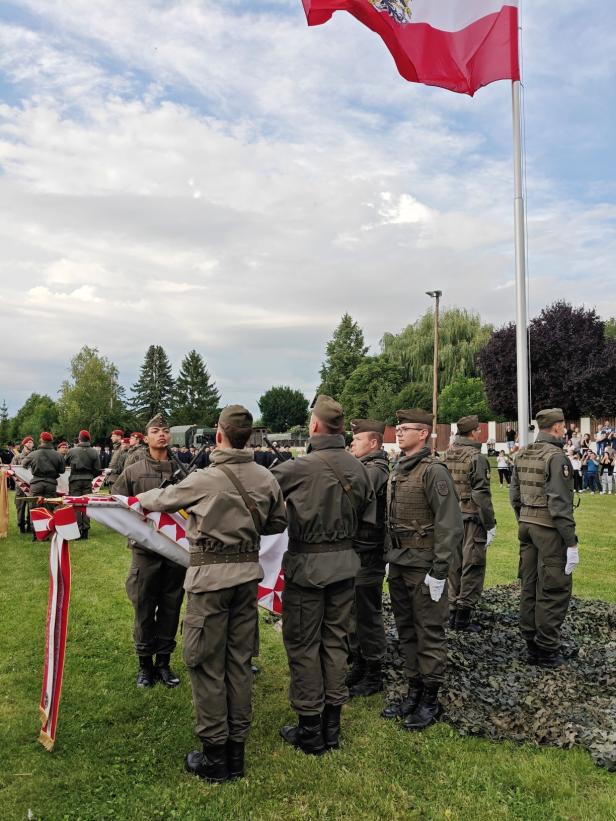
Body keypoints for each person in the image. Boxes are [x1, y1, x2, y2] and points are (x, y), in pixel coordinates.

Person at [137, 405, 287, 783]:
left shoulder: (205, 478)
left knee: (205, 664)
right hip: (246, 582)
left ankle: (215, 757)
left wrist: (136, 501)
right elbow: (278, 521)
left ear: (219, 434)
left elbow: (159, 500)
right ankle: (235, 751)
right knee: (238, 664)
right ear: (248, 436)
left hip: (209, 584)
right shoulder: (266, 478)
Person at [271, 395, 376, 754]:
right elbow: (368, 519)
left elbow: (262, 501)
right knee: (336, 645)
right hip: (346, 567)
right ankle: (332, 727)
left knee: (303, 646)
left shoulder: (297, 469)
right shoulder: (360, 468)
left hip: (307, 570)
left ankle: (311, 730)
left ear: (314, 425)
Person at [382, 409, 463, 730]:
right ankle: (413, 690)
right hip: (401, 564)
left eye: (406, 429)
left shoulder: (433, 471)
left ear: (424, 433)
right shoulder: (398, 469)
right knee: (406, 630)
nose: (399, 433)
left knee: (429, 631)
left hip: (425, 566)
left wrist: (440, 571)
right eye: (398, 428)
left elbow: (450, 525)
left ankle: (430, 698)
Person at [112, 415, 187, 690]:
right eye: (156, 431)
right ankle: (145, 665)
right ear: (147, 436)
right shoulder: (133, 471)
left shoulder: (183, 471)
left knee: (170, 607)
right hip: (145, 552)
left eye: (166, 431)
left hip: (176, 552)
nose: (162, 435)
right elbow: (118, 502)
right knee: (144, 609)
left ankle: (164, 663)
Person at [509, 408, 580, 668]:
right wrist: (571, 542)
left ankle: (531, 643)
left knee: (530, 584)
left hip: (527, 525)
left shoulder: (523, 453)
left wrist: (524, 518)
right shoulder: (556, 457)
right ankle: (547, 650)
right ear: (558, 427)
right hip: (548, 529)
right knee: (554, 588)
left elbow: (514, 495)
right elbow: (560, 505)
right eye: (563, 425)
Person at [347, 418, 390, 698]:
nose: (352, 444)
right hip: (356, 551)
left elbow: (353, 491)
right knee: (353, 613)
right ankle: (359, 662)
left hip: (368, 553)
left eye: (357, 440)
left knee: (367, 615)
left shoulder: (376, 470)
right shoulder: (364, 467)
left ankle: (374, 671)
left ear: (373, 443)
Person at [445, 416, 496, 632]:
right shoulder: (476, 457)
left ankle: (452, 612)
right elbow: (481, 494)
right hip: (471, 517)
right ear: (474, 432)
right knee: (472, 565)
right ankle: (463, 617)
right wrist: (490, 523)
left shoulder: (447, 454)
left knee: (453, 566)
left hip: (450, 517)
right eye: (478, 430)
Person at [65, 430, 101, 538]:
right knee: (85, 505)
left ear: (79, 439)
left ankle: (78, 528)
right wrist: (90, 476)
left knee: (76, 505)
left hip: (75, 480)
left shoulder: (72, 451)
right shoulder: (94, 452)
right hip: (87, 480)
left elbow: (65, 464)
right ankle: (85, 530)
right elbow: (97, 469)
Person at [22, 432, 65, 513]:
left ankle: (34, 526)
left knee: (35, 510)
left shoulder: (34, 454)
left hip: (36, 484)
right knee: (49, 509)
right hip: (51, 485)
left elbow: (24, 464)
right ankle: (47, 525)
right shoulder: (58, 455)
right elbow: (62, 470)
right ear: (51, 441)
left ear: (41, 440)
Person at [12, 435, 35, 533]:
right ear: (24, 444)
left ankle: (30, 526)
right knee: (20, 507)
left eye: (32, 442)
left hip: (32, 486)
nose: (31, 444)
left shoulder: (34, 456)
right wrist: (18, 483)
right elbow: (12, 471)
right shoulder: (17, 457)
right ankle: (21, 526)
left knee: (32, 506)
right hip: (20, 486)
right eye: (29, 442)